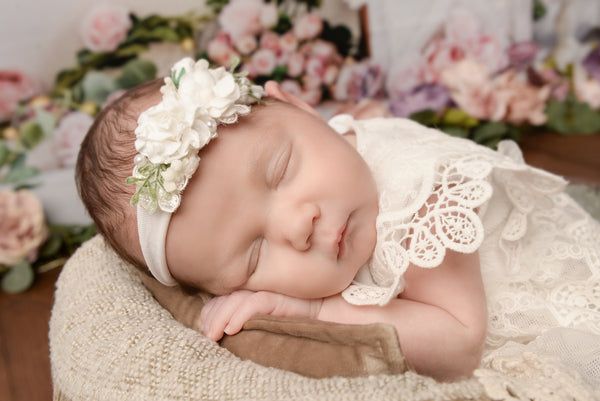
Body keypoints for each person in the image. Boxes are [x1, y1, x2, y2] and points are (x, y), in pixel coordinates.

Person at [76, 58, 600, 385]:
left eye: (281, 171)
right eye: (255, 254)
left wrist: (312, 307)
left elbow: (460, 344)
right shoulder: (323, 175)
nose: (296, 227)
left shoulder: (422, 190)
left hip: (563, 299)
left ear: (301, 107)